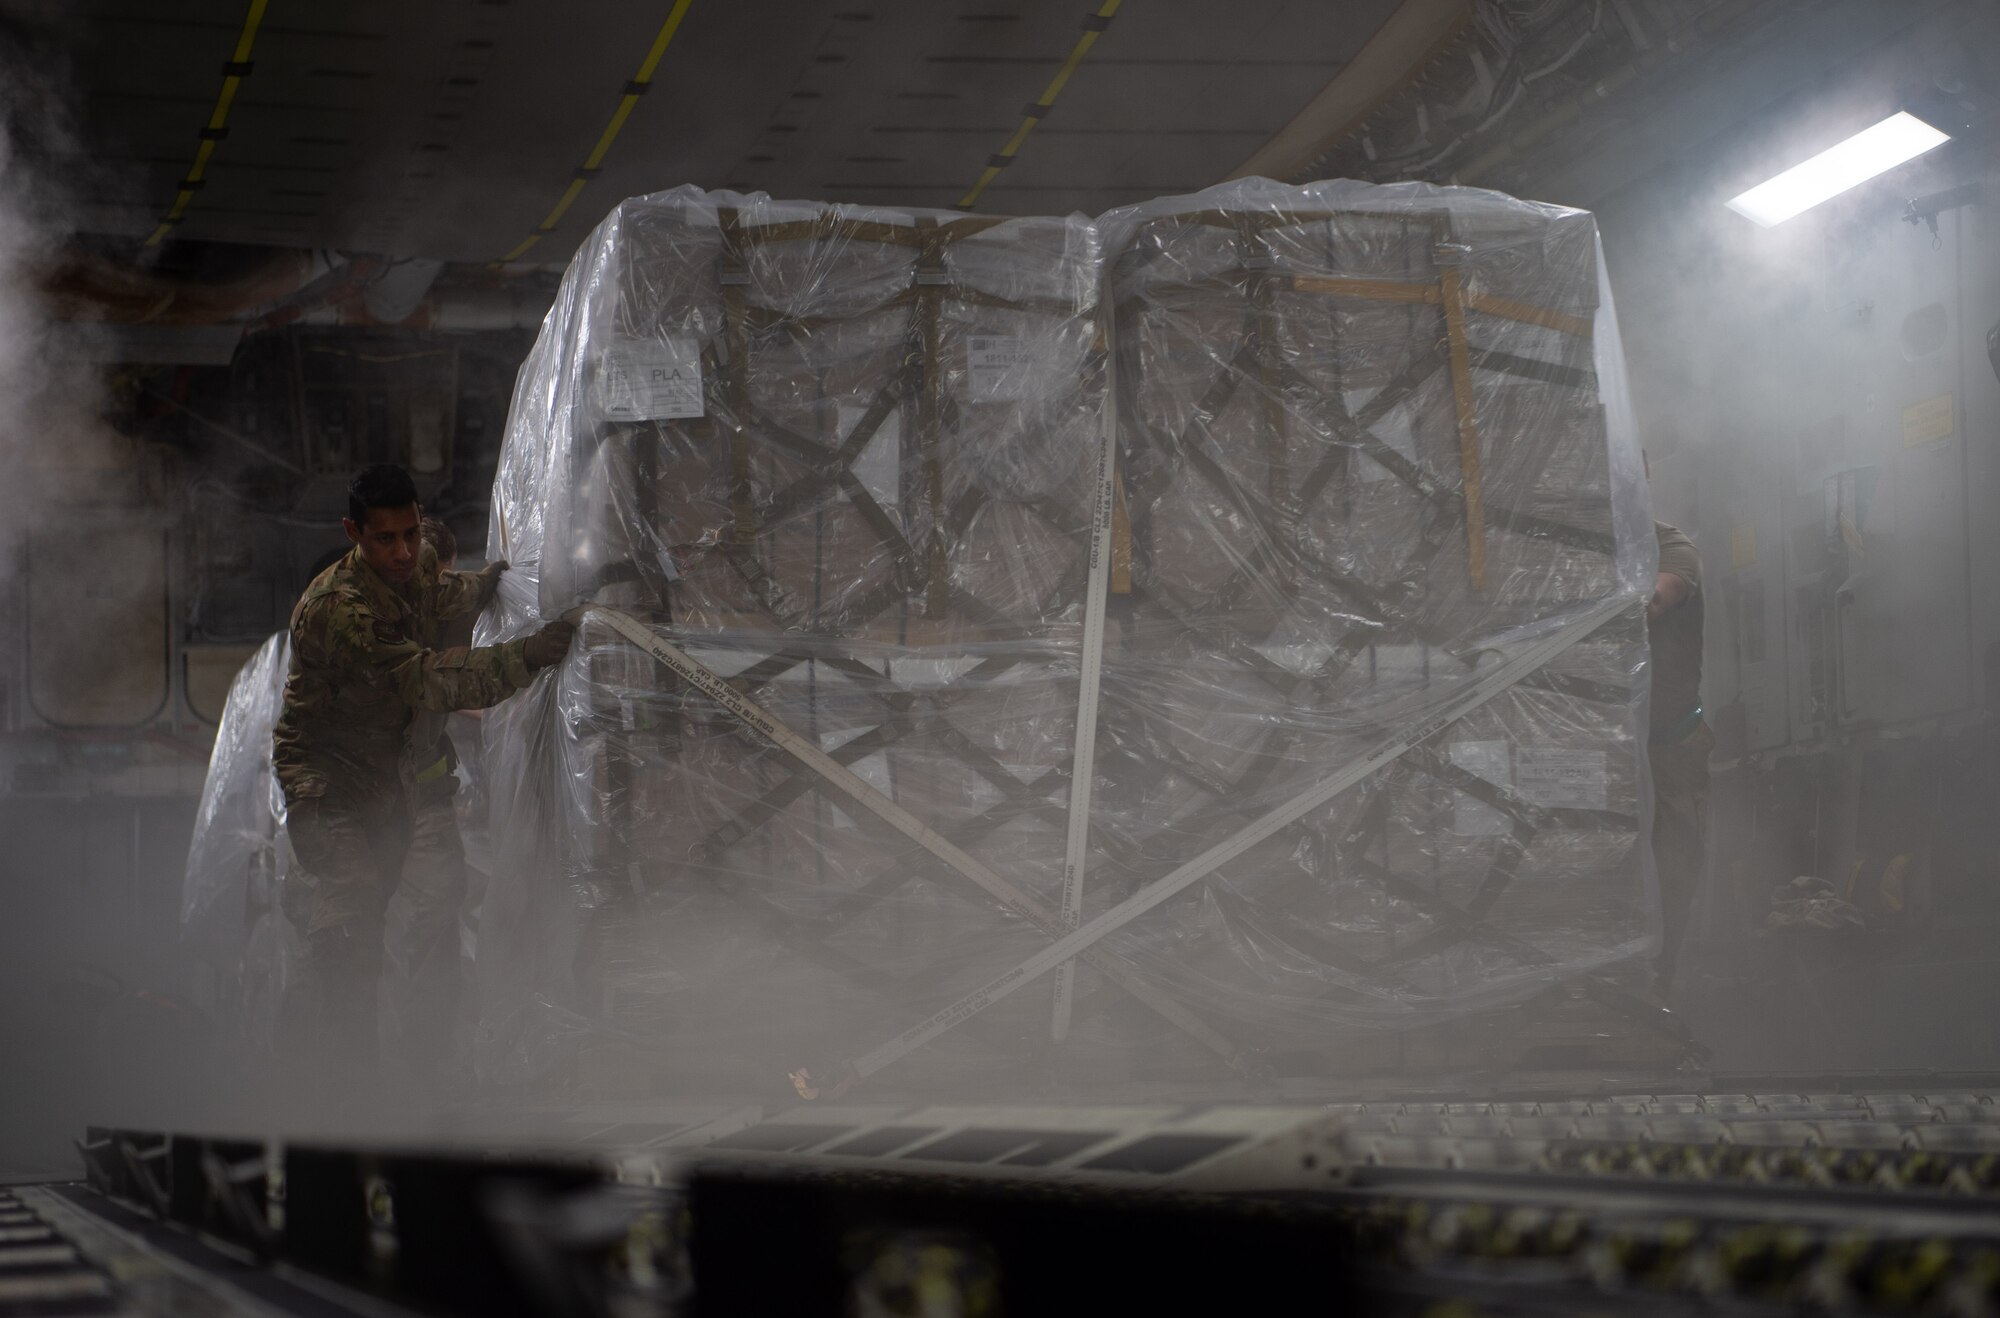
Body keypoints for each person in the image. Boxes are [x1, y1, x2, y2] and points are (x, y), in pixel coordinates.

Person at [273, 464, 575, 1094]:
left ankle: (429, 1079)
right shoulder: (338, 611)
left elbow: (447, 588)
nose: (404, 551)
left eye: (410, 534)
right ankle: (341, 1088)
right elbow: (427, 679)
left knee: (437, 909)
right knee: (353, 919)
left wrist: (501, 581)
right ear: (353, 533)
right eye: (384, 539)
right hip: (335, 784)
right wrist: (528, 653)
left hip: (408, 775)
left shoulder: (416, 561)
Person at [1648, 520, 1709, 995]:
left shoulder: (1673, 547)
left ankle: (1661, 984)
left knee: (1673, 865)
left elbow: (1653, 601)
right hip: (1623, 742)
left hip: (1670, 745)